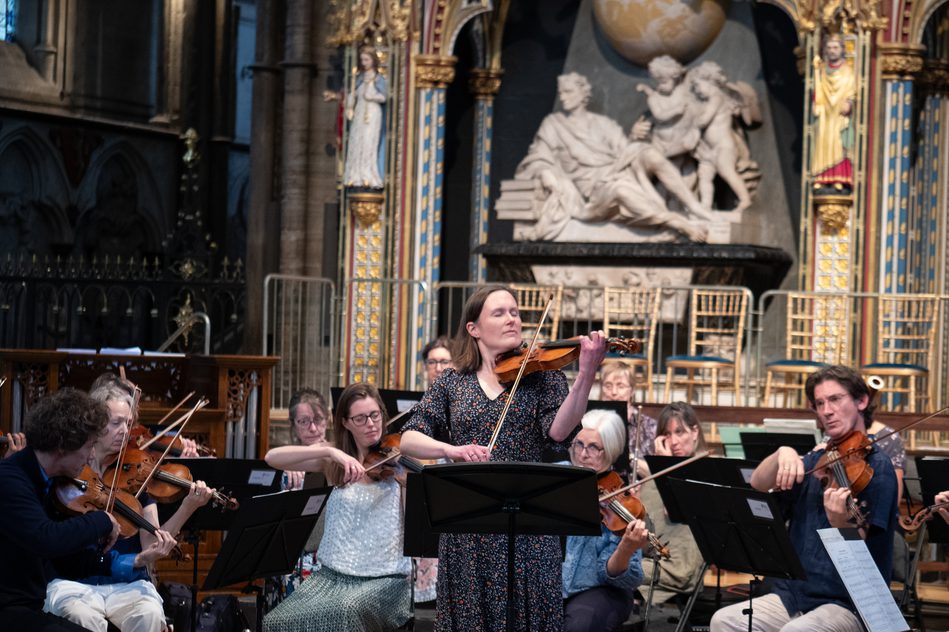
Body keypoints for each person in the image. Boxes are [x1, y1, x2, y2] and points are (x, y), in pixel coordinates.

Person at [399, 284, 608, 631]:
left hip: (528, 532)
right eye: (499, 313)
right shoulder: (453, 382)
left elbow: (559, 432)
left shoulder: (543, 376)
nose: (512, 319)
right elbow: (408, 439)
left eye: (515, 312)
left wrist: (586, 374)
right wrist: (451, 450)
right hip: (469, 532)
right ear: (474, 328)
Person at [709, 365, 898, 632]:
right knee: (725, 620)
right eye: (820, 403)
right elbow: (758, 484)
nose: (826, 411)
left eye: (835, 399)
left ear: (862, 401)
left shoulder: (878, 467)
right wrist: (781, 453)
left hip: (847, 602)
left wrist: (842, 524)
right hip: (794, 595)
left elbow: (866, 550)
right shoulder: (815, 460)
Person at [45, 380, 214, 632]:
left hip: (128, 584)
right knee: (80, 617)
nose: (125, 431)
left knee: (149, 613)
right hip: (74, 581)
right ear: (94, 422)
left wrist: (188, 507)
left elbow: (151, 542)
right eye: (116, 423)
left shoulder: (136, 474)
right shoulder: (68, 469)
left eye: (128, 423)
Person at [263, 382, 412, 632]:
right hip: (332, 577)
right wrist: (333, 454)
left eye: (375, 415)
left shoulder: (399, 462)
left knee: (346, 610)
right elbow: (272, 458)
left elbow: (412, 529)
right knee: (275, 622)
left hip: (387, 581)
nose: (371, 424)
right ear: (345, 422)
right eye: (360, 418)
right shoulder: (334, 463)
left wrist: (408, 483)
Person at [514, 72, 708, 242]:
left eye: (568, 91)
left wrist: (633, 136)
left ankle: (694, 207)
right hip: (594, 189)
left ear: (583, 94)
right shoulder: (553, 124)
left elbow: (623, 152)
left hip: (616, 171)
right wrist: (545, 171)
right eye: (561, 92)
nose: (563, 97)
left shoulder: (603, 123)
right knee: (620, 190)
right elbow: (537, 157)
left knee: (647, 152)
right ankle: (676, 222)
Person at [0, 388, 121, 631]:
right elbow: (47, 539)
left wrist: (119, 564)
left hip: (26, 609)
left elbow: (60, 559)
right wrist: (102, 520)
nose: (91, 457)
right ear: (64, 445)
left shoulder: (47, 481)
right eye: (89, 446)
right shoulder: (10, 479)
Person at [563, 409, 648, 632]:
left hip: (600, 590)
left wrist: (626, 548)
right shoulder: (557, 476)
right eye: (579, 444)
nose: (583, 454)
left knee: (579, 626)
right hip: (550, 582)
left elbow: (624, 577)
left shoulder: (620, 501)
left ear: (610, 451)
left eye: (593, 447)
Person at [637, 403, 707, 615]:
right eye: (667, 434)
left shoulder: (705, 472)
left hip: (679, 567)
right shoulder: (658, 475)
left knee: (613, 572)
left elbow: (673, 509)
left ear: (695, 432)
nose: (673, 441)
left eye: (680, 432)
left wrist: (663, 466)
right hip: (649, 558)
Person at [688, 61, 755, 213]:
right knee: (704, 176)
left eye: (697, 85)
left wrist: (690, 121)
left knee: (727, 171)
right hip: (709, 150)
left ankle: (745, 199)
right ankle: (705, 206)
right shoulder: (709, 101)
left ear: (709, 81)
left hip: (723, 146)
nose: (696, 90)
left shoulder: (717, 98)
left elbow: (704, 120)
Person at [599, 360, 657, 478]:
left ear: (632, 390)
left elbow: (654, 473)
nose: (613, 392)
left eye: (620, 386)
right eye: (608, 386)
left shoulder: (648, 426)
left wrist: (628, 457)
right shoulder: (589, 422)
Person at [811, 34, 855, 190]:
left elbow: (852, 91)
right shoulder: (822, 71)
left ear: (842, 50)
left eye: (835, 47)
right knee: (822, 140)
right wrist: (815, 102)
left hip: (839, 114)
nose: (832, 51)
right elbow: (817, 90)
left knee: (838, 141)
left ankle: (839, 177)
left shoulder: (848, 71)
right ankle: (821, 175)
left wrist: (849, 103)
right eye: (829, 48)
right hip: (825, 113)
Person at [343, 45, 387, 189]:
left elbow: (384, 97)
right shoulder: (359, 78)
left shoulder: (379, 79)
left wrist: (373, 96)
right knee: (357, 142)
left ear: (373, 60)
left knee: (369, 143)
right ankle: (355, 175)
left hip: (373, 114)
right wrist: (350, 105)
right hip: (360, 112)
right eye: (362, 60)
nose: (364, 63)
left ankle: (368, 175)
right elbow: (353, 94)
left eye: (367, 60)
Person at [283, 388, 330, 491]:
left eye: (318, 419)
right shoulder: (284, 461)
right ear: (293, 425)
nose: (313, 429)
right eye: (304, 421)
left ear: (327, 420)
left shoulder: (342, 457)